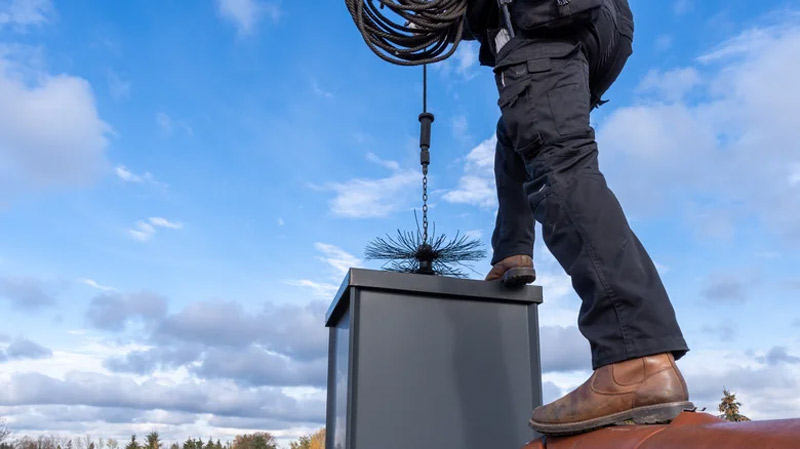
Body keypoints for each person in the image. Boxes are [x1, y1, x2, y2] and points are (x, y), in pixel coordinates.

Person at [467, 0, 694, 435]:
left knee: (559, 164)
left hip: (538, 15)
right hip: (603, 23)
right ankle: (512, 249)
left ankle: (636, 359)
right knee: (517, 129)